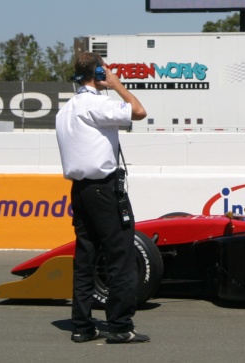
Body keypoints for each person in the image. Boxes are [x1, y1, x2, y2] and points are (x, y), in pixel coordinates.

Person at [56, 52, 149, 345]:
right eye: (104, 71)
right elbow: (139, 111)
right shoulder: (97, 103)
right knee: (120, 256)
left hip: (80, 190)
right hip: (104, 189)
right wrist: (117, 85)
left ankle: (82, 326)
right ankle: (120, 325)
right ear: (98, 73)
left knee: (85, 258)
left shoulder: (65, 110)